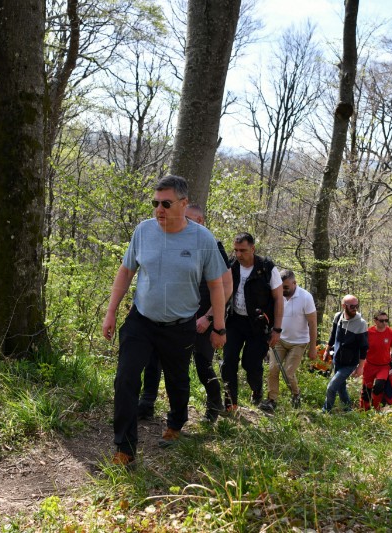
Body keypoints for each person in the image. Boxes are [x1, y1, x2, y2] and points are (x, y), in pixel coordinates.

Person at [101, 176, 228, 466]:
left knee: (178, 382)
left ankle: (175, 424)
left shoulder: (202, 239)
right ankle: (125, 448)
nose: (159, 209)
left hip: (180, 325)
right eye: (156, 203)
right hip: (141, 321)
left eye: (166, 204)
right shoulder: (143, 231)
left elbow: (217, 286)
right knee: (125, 379)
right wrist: (111, 312)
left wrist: (218, 325)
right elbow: (125, 272)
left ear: (183, 204)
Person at [136, 204, 233, 423]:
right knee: (155, 357)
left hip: (202, 315)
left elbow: (226, 287)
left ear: (201, 222)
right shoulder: (170, 240)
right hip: (173, 315)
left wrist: (209, 318)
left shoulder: (212, 245)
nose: (182, 222)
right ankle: (147, 402)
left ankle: (214, 405)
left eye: (189, 218)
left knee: (202, 362)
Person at [221, 233, 284, 412]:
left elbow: (278, 299)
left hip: (259, 324)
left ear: (253, 249)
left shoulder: (266, 268)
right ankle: (230, 403)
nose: (239, 254)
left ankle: (256, 390)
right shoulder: (230, 265)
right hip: (234, 321)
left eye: (243, 250)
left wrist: (277, 329)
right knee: (228, 361)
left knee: (250, 364)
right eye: (236, 250)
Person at [259, 270, 318, 412]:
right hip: (279, 339)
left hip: (299, 342)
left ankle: (296, 395)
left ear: (294, 283)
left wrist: (312, 347)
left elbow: (313, 323)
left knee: (288, 372)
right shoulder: (276, 295)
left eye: (285, 287)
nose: (282, 289)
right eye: (280, 286)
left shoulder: (305, 297)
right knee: (273, 369)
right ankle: (272, 400)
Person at [322, 295, 368, 413]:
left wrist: (360, 367)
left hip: (350, 363)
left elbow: (364, 348)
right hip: (337, 359)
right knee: (341, 388)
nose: (355, 308)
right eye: (352, 306)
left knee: (331, 387)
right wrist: (327, 350)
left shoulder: (361, 323)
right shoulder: (338, 317)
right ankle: (348, 410)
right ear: (344, 306)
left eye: (357, 306)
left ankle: (325, 411)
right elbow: (333, 336)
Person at [356, 311, 392, 411]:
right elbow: (361, 349)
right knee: (366, 389)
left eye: (386, 320)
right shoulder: (368, 332)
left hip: (384, 366)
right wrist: (359, 365)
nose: (384, 323)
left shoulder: (391, 333)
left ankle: (376, 408)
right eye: (381, 320)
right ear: (375, 321)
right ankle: (364, 410)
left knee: (379, 386)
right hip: (369, 365)